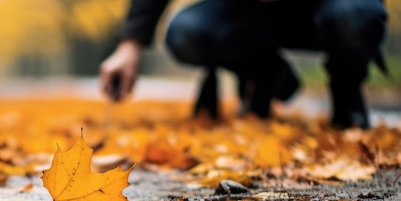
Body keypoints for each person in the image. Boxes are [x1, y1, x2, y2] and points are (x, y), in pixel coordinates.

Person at [100, 0, 388, 129]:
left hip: (328, 7)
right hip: (246, 12)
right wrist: (130, 43)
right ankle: (267, 76)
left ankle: (347, 93)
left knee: (356, 14)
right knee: (187, 33)